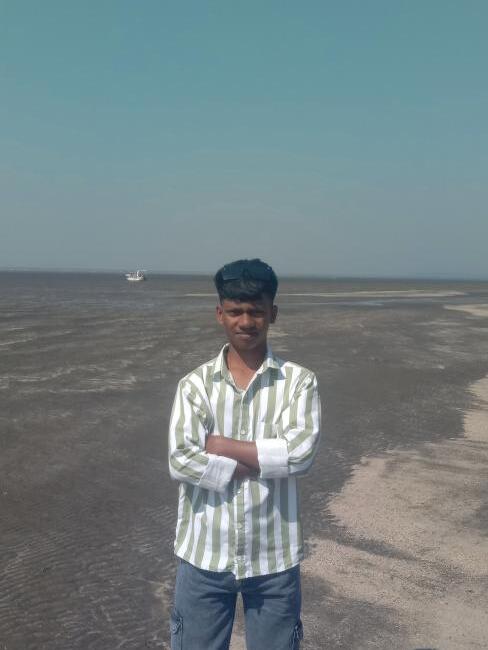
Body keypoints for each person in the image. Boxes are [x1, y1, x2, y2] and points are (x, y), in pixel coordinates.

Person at [168, 258, 321, 650]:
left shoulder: (298, 383)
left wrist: (221, 447)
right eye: (235, 311)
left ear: (273, 313)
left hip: (274, 558)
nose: (246, 321)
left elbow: (301, 454)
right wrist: (262, 460)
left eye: (256, 311)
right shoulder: (194, 386)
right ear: (220, 314)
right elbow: (180, 459)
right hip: (203, 555)